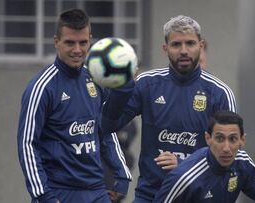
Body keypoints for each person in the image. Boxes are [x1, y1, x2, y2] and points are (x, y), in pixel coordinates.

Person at [101, 15, 237, 202]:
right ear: (165, 49)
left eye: (190, 43)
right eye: (176, 45)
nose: (183, 51)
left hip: (199, 196)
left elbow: (229, 156)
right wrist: (122, 89)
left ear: (201, 46)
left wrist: (183, 165)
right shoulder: (147, 84)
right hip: (150, 195)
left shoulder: (220, 93)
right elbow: (108, 126)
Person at [17, 8, 132, 203]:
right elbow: (27, 144)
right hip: (59, 191)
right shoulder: (41, 87)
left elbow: (106, 130)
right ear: (56, 42)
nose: (77, 50)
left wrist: (122, 174)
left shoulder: (96, 78)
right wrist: (43, 194)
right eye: (70, 42)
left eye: (83, 42)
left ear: (90, 41)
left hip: (97, 189)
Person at [153, 110, 255, 203]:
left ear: (242, 140)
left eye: (233, 139)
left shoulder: (242, 162)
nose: (226, 148)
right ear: (208, 139)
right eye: (220, 138)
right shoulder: (184, 178)